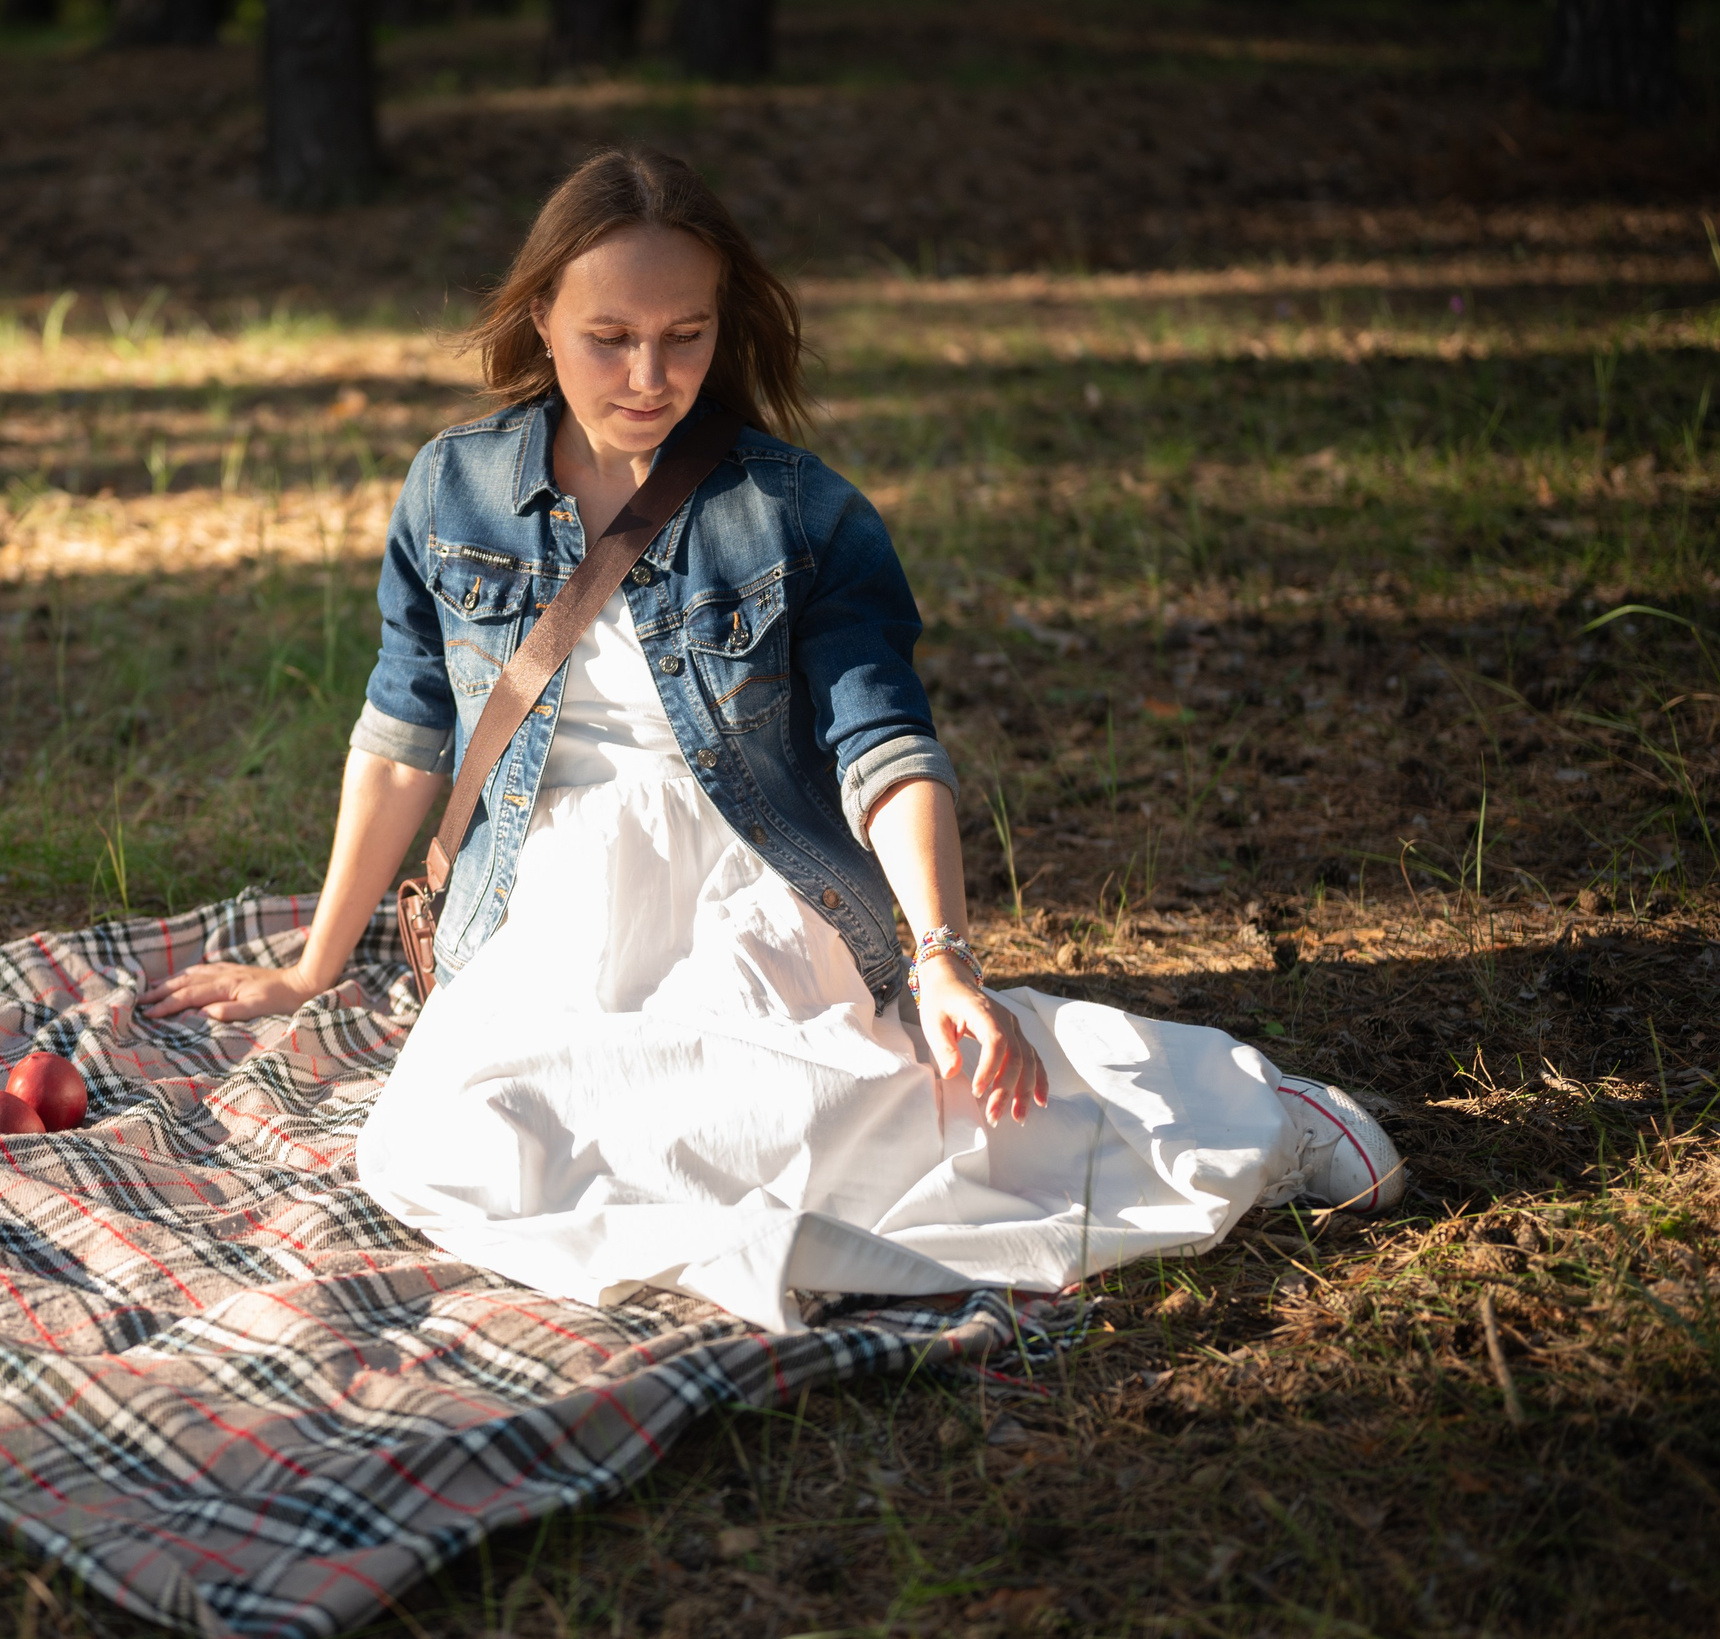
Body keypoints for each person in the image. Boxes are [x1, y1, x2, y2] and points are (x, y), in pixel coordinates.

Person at [146, 149, 1402, 1332]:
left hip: (750, 870)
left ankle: (1233, 1113)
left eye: (684, 336)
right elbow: (403, 730)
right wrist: (316, 965)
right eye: (610, 338)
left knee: (791, 1109)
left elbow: (886, 751)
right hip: (539, 889)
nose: (649, 374)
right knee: (435, 1149)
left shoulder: (799, 513)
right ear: (539, 320)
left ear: (724, 325)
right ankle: (747, 1235)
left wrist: (946, 956)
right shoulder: (453, 489)